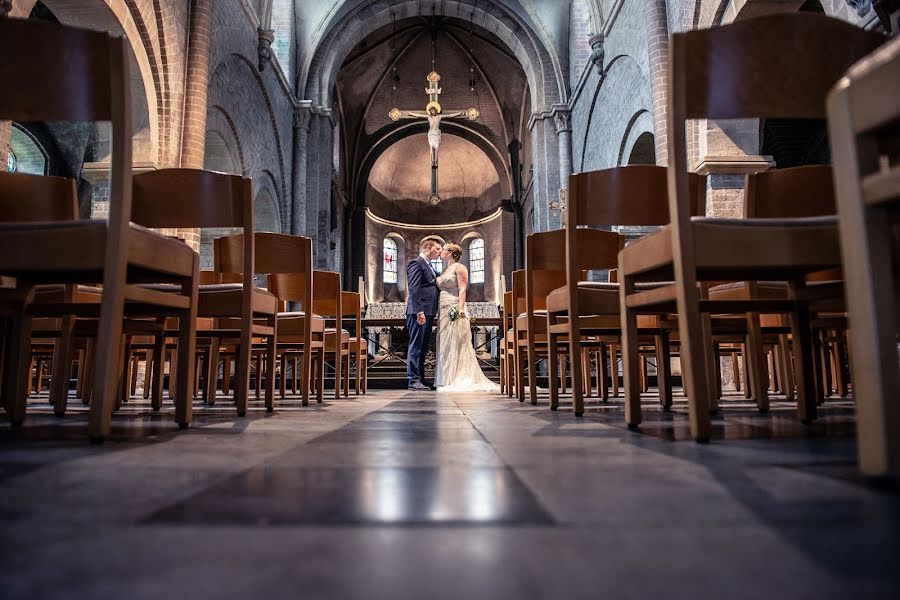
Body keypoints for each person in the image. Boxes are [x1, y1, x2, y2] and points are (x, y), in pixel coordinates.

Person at [434, 243, 500, 392]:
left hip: (454, 306)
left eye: (443, 250)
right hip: (442, 309)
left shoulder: (460, 268)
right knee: (445, 342)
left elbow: (463, 289)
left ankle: (456, 377)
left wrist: (460, 309)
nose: (441, 253)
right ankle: (445, 378)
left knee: (456, 341)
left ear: (450, 253)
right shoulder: (445, 270)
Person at [406, 239, 441, 390]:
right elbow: (414, 288)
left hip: (428, 311)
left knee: (423, 347)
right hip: (419, 311)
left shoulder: (429, 265)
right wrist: (419, 311)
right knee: (416, 346)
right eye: (438, 249)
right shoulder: (417, 263)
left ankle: (420, 378)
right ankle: (413, 380)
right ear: (429, 247)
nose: (440, 252)